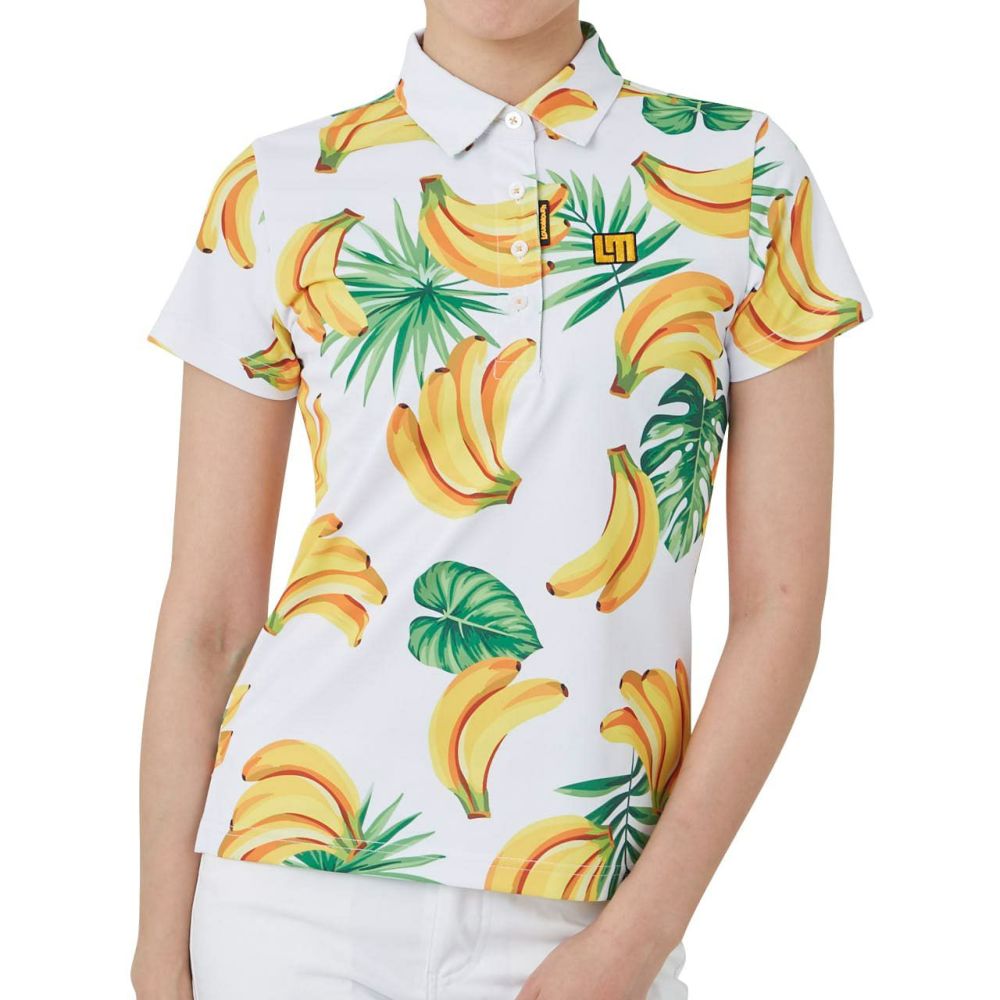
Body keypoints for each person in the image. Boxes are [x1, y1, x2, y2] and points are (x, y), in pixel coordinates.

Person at [132, 2, 872, 997]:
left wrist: (635, 939)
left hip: (588, 900)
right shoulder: (275, 188)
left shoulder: (742, 174)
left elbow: (781, 609)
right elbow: (209, 620)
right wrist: (158, 944)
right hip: (286, 886)